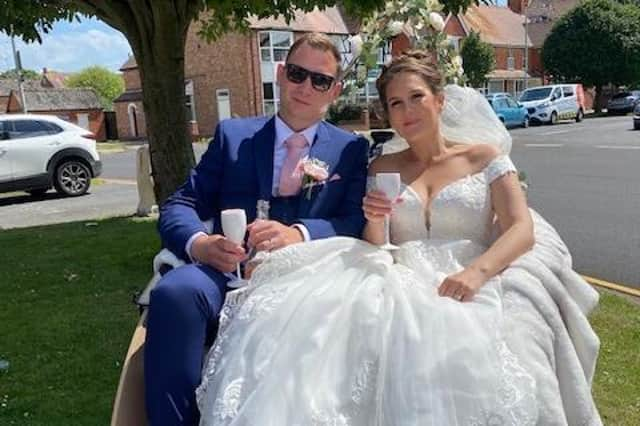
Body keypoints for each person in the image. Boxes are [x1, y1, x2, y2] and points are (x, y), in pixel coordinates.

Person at [195, 52, 602, 425]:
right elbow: (377, 240)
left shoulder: (485, 157)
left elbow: (520, 227)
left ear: (439, 100)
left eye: (416, 97)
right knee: (327, 338)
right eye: (395, 103)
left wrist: (476, 274)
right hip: (402, 271)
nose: (407, 111)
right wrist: (375, 218)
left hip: (468, 271)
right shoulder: (383, 164)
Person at [144, 32, 370, 425]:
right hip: (227, 274)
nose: (306, 87)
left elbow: (353, 219)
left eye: (320, 80)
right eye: (298, 74)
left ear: (334, 91)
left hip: (307, 278)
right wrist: (200, 244)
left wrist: (299, 233)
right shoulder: (234, 136)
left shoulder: (350, 149)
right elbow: (181, 204)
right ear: (280, 74)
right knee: (175, 294)